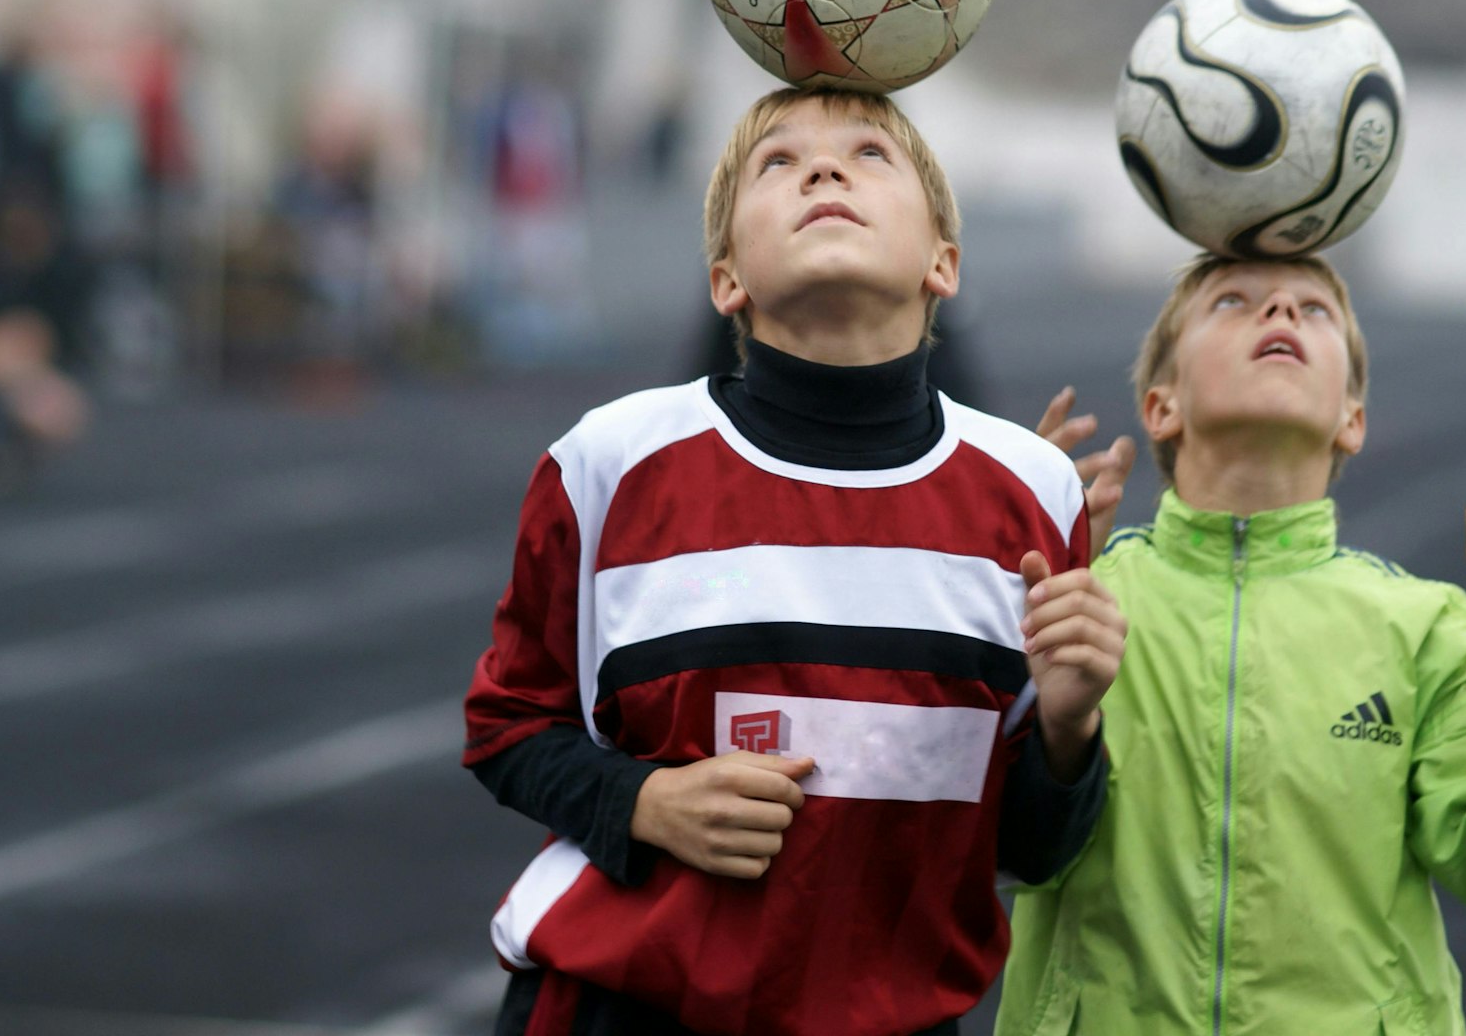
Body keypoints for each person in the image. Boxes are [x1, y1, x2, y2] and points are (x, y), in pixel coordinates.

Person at [462, 87, 1131, 1036]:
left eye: (870, 154)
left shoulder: (1032, 495)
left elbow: (1027, 850)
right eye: (777, 162)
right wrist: (643, 800)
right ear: (726, 277)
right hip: (619, 1010)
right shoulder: (609, 464)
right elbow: (506, 725)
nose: (823, 169)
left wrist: (1069, 727)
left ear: (944, 262)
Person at [998, 253, 1466, 1036]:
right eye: (1234, 302)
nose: (1280, 315)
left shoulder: (1423, 630)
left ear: (1353, 418)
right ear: (1161, 406)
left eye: (1314, 310)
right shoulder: (1080, 599)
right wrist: (998, 590)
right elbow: (966, 848)